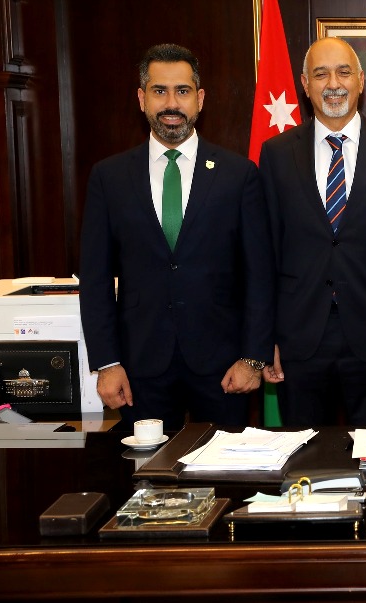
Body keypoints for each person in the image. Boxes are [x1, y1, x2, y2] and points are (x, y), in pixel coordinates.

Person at [79, 43, 274, 431]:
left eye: (182, 91)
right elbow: (95, 278)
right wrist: (107, 362)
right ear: (142, 99)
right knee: (147, 468)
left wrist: (253, 358)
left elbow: (259, 275)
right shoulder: (109, 178)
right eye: (159, 91)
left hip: (224, 366)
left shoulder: (238, 175)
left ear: (199, 99)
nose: (171, 103)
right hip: (138, 367)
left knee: (224, 466)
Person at [258, 37, 366, 427]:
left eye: (343, 72)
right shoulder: (277, 154)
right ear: (305, 84)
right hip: (299, 339)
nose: (333, 83)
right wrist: (264, 341)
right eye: (321, 74)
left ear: (361, 80)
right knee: (303, 455)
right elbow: (265, 254)